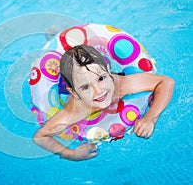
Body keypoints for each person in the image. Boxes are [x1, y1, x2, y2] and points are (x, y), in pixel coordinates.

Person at [33, 45, 174, 161]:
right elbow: (40, 137)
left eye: (101, 79)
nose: (99, 91)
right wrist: (70, 154)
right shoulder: (75, 111)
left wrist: (151, 118)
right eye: (86, 87)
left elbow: (166, 82)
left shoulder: (122, 85)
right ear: (74, 93)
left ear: (108, 70)